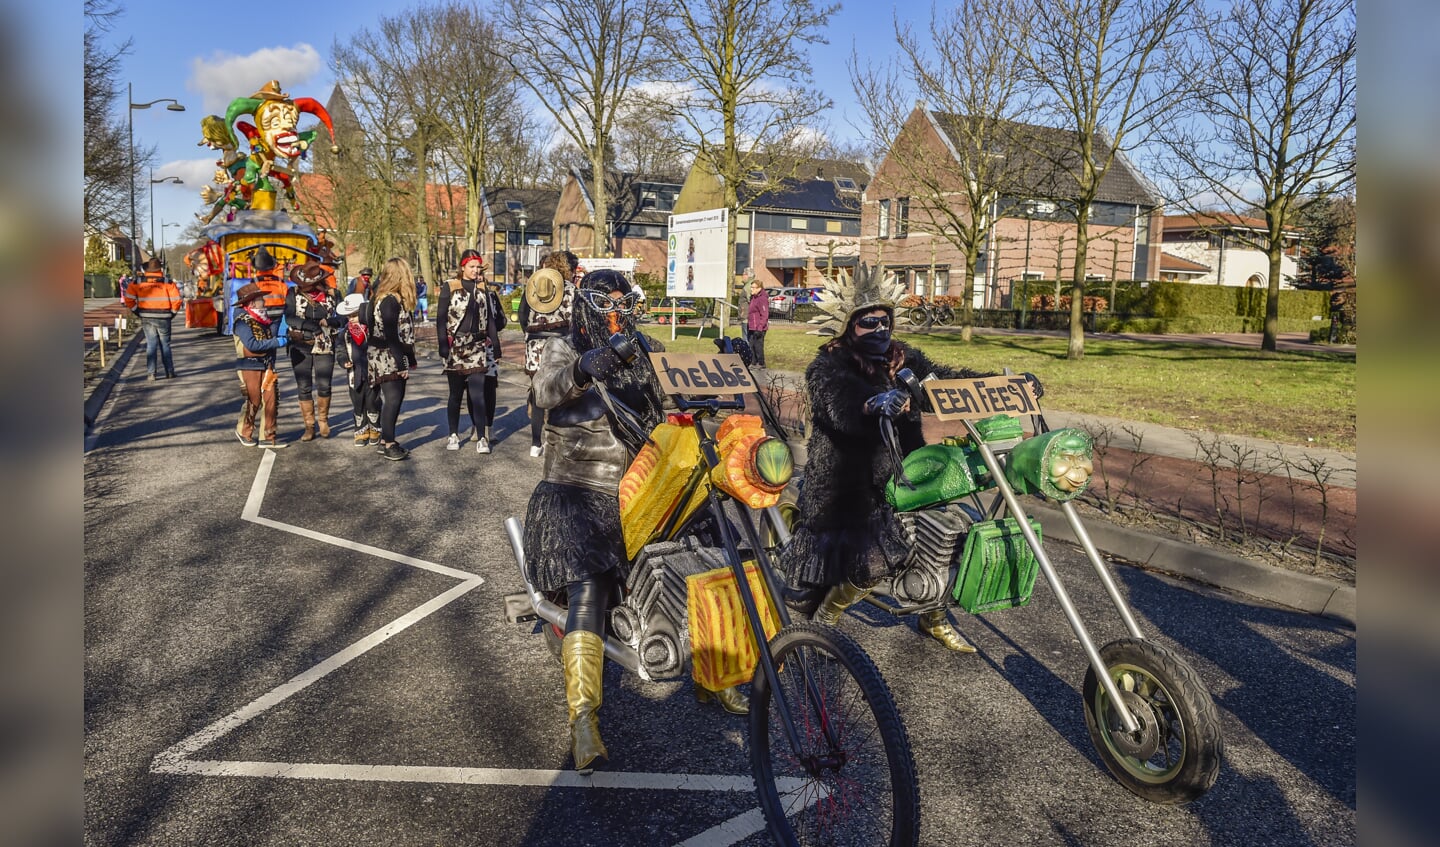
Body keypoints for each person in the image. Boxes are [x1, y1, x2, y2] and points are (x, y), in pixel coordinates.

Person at [781, 287, 1042, 652]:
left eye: (885, 320)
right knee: (872, 560)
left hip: (911, 471)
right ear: (847, 326)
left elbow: (948, 379)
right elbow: (839, 406)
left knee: (950, 537)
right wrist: (874, 403)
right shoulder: (827, 366)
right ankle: (826, 620)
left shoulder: (902, 358)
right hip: (851, 482)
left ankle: (933, 616)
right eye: (868, 322)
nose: (880, 329)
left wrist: (1009, 386)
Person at [521, 269, 679, 774]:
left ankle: (725, 677)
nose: (615, 309)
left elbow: (679, 389)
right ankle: (584, 718)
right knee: (588, 588)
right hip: (576, 493)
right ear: (586, 305)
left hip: (640, 489)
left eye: (622, 301)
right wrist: (588, 366)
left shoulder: (646, 348)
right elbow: (545, 392)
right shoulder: (562, 348)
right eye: (604, 301)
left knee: (703, 554)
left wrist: (727, 363)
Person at [517, 250, 578, 459]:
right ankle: (560, 441)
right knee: (562, 393)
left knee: (537, 396)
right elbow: (576, 320)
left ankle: (535, 444)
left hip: (535, 346)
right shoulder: (570, 289)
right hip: (560, 345)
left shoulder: (533, 286)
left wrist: (531, 333)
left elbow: (522, 316)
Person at [437, 250, 494, 453]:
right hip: (456, 346)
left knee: (477, 394)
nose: (476, 270)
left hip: (477, 346)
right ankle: (453, 434)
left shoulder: (482, 287)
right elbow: (441, 317)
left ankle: (481, 437)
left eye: (478, 267)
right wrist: (443, 344)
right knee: (455, 394)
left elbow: (490, 319)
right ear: (463, 267)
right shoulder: (450, 286)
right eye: (472, 266)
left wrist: (495, 343)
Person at [284, 260, 345, 441]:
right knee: (304, 386)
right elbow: (289, 318)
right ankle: (309, 426)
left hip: (325, 344)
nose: (305, 288)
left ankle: (323, 420)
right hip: (300, 344)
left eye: (309, 285)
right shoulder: (292, 293)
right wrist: (311, 326)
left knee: (324, 384)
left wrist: (332, 322)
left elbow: (343, 317)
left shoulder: (333, 294)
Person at [366, 257, 418, 460]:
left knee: (395, 399)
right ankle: (388, 443)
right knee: (393, 399)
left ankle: (384, 440)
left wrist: (410, 359)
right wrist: (401, 362)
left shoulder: (385, 298)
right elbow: (392, 335)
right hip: (387, 356)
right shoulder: (389, 301)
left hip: (386, 354)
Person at [231, 282, 289, 449]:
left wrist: (282, 321)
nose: (264, 301)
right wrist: (276, 342)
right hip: (249, 366)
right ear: (251, 303)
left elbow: (271, 329)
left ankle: (268, 437)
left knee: (271, 399)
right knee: (254, 400)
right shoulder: (242, 322)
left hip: (267, 366)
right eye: (260, 299)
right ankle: (244, 431)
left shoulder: (261, 318)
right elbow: (252, 345)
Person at [122, 257, 183, 379]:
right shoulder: (168, 282)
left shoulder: (137, 282)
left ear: (146, 269)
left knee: (151, 345)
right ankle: (169, 372)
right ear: (160, 268)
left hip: (146, 317)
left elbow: (128, 299)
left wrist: (137, 311)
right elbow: (177, 300)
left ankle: (151, 373)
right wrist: (172, 313)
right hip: (164, 317)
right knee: (165, 345)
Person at [335, 293, 382, 446]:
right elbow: (341, 350)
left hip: (371, 371)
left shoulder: (371, 329)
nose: (352, 319)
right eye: (349, 316)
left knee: (372, 401)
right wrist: (343, 361)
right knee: (357, 402)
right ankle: (361, 430)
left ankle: (375, 428)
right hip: (354, 374)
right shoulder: (344, 334)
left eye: (355, 315)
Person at [481, 278, 508, 446]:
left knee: (489, 387)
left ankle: (489, 426)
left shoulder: (491, 295)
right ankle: (478, 426)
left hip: (489, 347)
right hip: (468, 348)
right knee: (473, 389)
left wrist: (493, 330)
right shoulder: (460, 294)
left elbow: (502, 320)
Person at [744, 277, 769, 368]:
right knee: (751, 345)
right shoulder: (753, 298)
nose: (751, 289)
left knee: (758, 346)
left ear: (759, 288)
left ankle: (761, 363)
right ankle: (753, 362)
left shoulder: (762, 299)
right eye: (751, 287)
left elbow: (764, 314)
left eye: (753, 287)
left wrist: (760, 327)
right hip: (751, 326)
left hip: (759, 327)